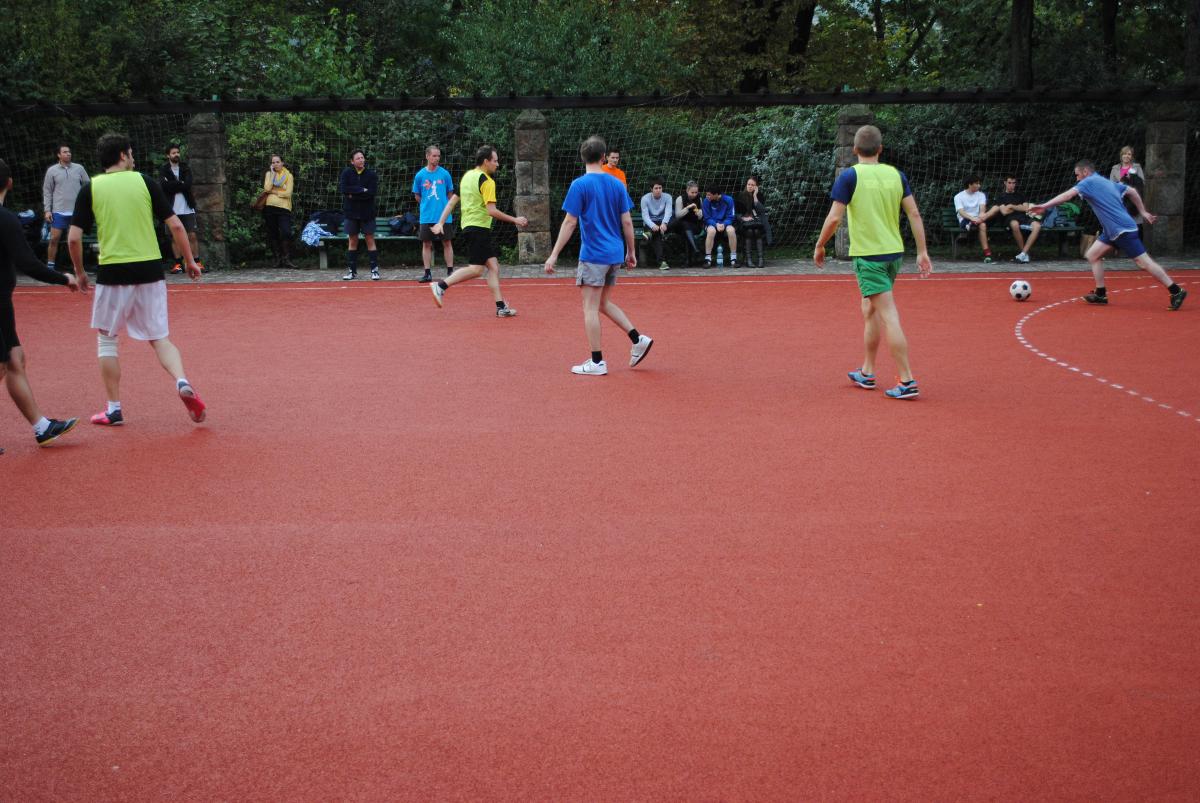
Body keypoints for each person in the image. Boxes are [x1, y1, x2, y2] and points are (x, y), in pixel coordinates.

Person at [66, 132, 208, 427]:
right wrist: (190, 261)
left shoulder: (91, 188)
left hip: (112, 272)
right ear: (122, 155)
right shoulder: (146, 182)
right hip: (150, 271)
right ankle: (182, 380)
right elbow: (176, 226)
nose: (133, 158)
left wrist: (79, 273)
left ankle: (114, 409)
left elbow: (74, 238)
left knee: (107, 340)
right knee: (159, 338)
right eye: (130, 153)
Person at [813, 124, 933, 400]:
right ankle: (867, 371)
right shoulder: (896, 175)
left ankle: (907, 380)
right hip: (893, 255)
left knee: (888, 315)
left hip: (869, 258)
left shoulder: (850, 176)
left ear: (855, 149)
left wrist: (820, 245)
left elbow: (834, 218)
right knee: (870, 309)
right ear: (880, 149)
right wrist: (922, 251)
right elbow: (914, 214)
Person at [544, 135, 653, 376]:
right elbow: (626, 221)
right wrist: (631, 252)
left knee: (590, 308)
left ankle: (597, 361)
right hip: (614, 253)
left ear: (582, 157)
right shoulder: (617, 184)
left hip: (594, 254)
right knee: (602, 303)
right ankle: (638, 339)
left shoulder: (579, 185)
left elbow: (570, 222)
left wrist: (553, 255)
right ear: (604, 157)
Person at [0, 158, 80, 453]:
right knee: (1, 364)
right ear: (10, 183)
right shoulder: (6, 218)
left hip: (2, 302)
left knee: (15, 359)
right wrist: (63, 278)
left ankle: (41, 427)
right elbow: (27, 263)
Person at [1032, 159, 1186, 311]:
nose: (1077, 179)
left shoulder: (1088, 182)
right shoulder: (1106, 182)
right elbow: (1132, 191)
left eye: (1077, 175)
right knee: (1093, 255)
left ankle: (1176, 291)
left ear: (1085, 172)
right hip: (1111, 231)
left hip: (1123, 230)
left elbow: (1067, 196)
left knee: (1144, 263)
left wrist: (1044, 206)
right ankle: (1101, 294)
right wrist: (1143, 211)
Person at [429, 145, 527, 317]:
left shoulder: (467, 176)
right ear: (486, 161)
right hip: (478, 229)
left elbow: (451, 203)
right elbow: (491, 211)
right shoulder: (487, 181)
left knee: (493, 266)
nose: (497, 164)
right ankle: (441, 286)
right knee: (476, 270)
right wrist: (515, 220)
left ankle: (500, 307)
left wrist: (440, 222)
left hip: (470, 227)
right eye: (495, 161)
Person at [42, 143, 89, 273]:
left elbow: (87, 186)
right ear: (59, 155)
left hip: (76, 212)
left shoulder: (79, 168)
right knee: (54, 239)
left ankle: (78, 268)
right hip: (58, 211)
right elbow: (47, 191)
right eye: (65, 152)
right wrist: (47, 210)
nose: (68, 154)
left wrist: (86, 206)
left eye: (69, 152)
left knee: (75, 241)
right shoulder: (52, 171)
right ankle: (50, 267)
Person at [412, 144, 455, 283]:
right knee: (426, 244)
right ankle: (427, 273)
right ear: (427, 156)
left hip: (444, 216)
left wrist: (443, 207)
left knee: (447, 242)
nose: (437, 158)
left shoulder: (445, 174)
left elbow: (450, 194)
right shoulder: (420, 175)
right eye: (434, 155)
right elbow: (417, 196)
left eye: (438, 156)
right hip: (427, 216)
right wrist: (427, 205)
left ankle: (450, 272)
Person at [158, 144, 203, 275]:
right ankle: (178, 264)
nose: (176, 154)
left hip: (187, 207)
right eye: (173, 153)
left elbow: (188, 184)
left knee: (192, 235)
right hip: (171, 208)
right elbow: (164, 186)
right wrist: (180, 183)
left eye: (177, 152)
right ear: (168, 155)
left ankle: (197, 262)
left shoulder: (185, 167)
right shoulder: (164, 169)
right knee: (174, 237)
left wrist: (175, 185)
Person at [338, 149, 380, 281]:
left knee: (370, 239)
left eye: (362, 157)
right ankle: (352, 271)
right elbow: (344, 189)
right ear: (352, 161)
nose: (361, 160)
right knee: (352, 240)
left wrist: (353, 195)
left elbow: (371, 193)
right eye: (358, 158)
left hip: (367, 213)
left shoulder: (371, 175)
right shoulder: (346, 173)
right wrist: (361, 190)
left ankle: (374, 271)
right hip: (351, 214)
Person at [989, 175, 1041, 263]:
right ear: (1005, 183)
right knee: (1015, 224)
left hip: (1023, 218)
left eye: (1013, 183)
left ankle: (1023, 254)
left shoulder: (1021, 195)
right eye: (1009, 183)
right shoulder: (1001, 197)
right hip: (1010, 219)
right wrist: (1019, 207)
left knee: (1037, 226)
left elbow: (1026, 208)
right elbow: (1004, 212)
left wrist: (1011, 206)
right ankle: (1024, 254)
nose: (1012, 185)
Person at [953, 176, 1002, 263]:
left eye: (979, 183)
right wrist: (972, 218)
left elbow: (982, 209)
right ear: (970, 185)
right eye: (977, 183)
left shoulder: (981, 195)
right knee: (982, 225)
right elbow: (961, 212)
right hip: (966, 219)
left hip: (979, 218)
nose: (979, 185)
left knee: (994, 210)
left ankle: (973, 228)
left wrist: (980, 217)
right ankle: (987, 254)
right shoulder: (958, 196)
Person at [262, 154, 296, 268]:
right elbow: (267, 188)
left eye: (277, 162)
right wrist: (272, 175)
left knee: (286, 232)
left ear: (282, 163)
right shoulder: (269, 174)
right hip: (270, 207)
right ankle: (278, 259)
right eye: (273, 162)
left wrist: (274, 192)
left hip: (284, 208)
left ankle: (287, 259)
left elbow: (288, 193)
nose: (275, 164)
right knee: (273, 233)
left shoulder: (288, 176)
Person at [734, 176, 768, 268]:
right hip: (744, 224)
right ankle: (749, 260)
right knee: (749, 232)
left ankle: (761, 259)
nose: (750, 186)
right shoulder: (741, 196)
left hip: (757, 223)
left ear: (756, 186)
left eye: (752, 185)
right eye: (748, 184)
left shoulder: (759, 196)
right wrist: (743, 218)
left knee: (757, 231)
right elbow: (736, 213)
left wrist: (755, 196)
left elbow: (762, 210)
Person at [639, 179, 672, 270]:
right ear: (651, 189)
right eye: (656, 188)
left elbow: (668, 212)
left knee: (674, 221)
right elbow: (645, 216)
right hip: (650, 223)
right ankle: (662, 262)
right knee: (657, 235)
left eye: (660, 188)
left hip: (662, 223)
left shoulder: (668, 197)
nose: (658, 190)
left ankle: (648, 234)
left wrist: (664, 223)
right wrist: (652, 226)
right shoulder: (645, 198)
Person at [669, 181, 704, 266]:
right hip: (680, 226)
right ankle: (695, 250)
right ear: (687, 191)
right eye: (692, 192)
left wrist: (699, 213)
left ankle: (688, 261)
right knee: (685, 224)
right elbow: (677, 215)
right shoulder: (680, 199)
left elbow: (701, 217)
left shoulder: (699, 199)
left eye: (696, 192)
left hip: (694, 226)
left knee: (686, 229)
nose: (694, 194)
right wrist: (688, 208)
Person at [702, 185, 738, 267]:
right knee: (711, 231)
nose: (707, 196)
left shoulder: (729, 200)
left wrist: (724, 224)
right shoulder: (706, 201)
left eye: (709, 195)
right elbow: (707, 218)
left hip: (725, 223)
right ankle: (707, 259)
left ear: (716, 194)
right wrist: (716, 224)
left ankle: (733, 258)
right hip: (712, 224)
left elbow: (731, 216)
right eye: (707, 194)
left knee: (731, 230)